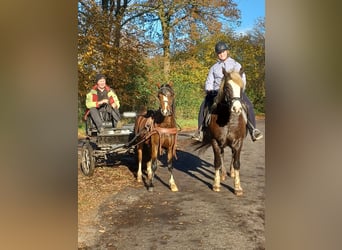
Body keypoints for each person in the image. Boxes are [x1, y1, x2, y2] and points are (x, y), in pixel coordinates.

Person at [192, 41, 263, 142]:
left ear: (227, 51)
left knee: (249, 105)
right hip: (217, 92)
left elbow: (242, 80)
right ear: (217, 54)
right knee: (203, 105)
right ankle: (200, 131)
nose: (222, 54)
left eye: (223, 51)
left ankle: (253, 130)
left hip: (234, 92)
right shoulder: (214, 67)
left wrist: (239, 90)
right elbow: (209, 81)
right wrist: (209, 90)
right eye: (219, 52)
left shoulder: (236, 65)